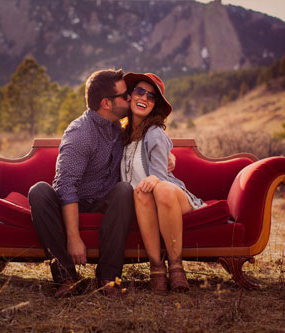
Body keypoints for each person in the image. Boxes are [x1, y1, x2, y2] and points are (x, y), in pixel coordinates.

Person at [28, 69, 174, 298]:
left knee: (124, 190)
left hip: (104, 200)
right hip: (74, 200)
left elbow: (147, 136)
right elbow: (66, 186)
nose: (130, 98)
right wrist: (74, 236)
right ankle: (67, 278)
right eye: (125, 95)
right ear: (106, 103)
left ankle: (107, 278)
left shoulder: (119, 127)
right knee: (38, 192)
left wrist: (167, 154)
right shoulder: (80, 133)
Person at [121, 72, 206, 295]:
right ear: (129, 96)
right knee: (141, 193)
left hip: (170, 196)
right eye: (140, 91)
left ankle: (177, 266)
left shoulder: (155, 133)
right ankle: (156, 267)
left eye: (152, 96)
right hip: (142, 199)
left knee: (162, 189)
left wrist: (155, 174)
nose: (145, 98)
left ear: (155, 105)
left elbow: (160, 176)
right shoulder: (119, 134)